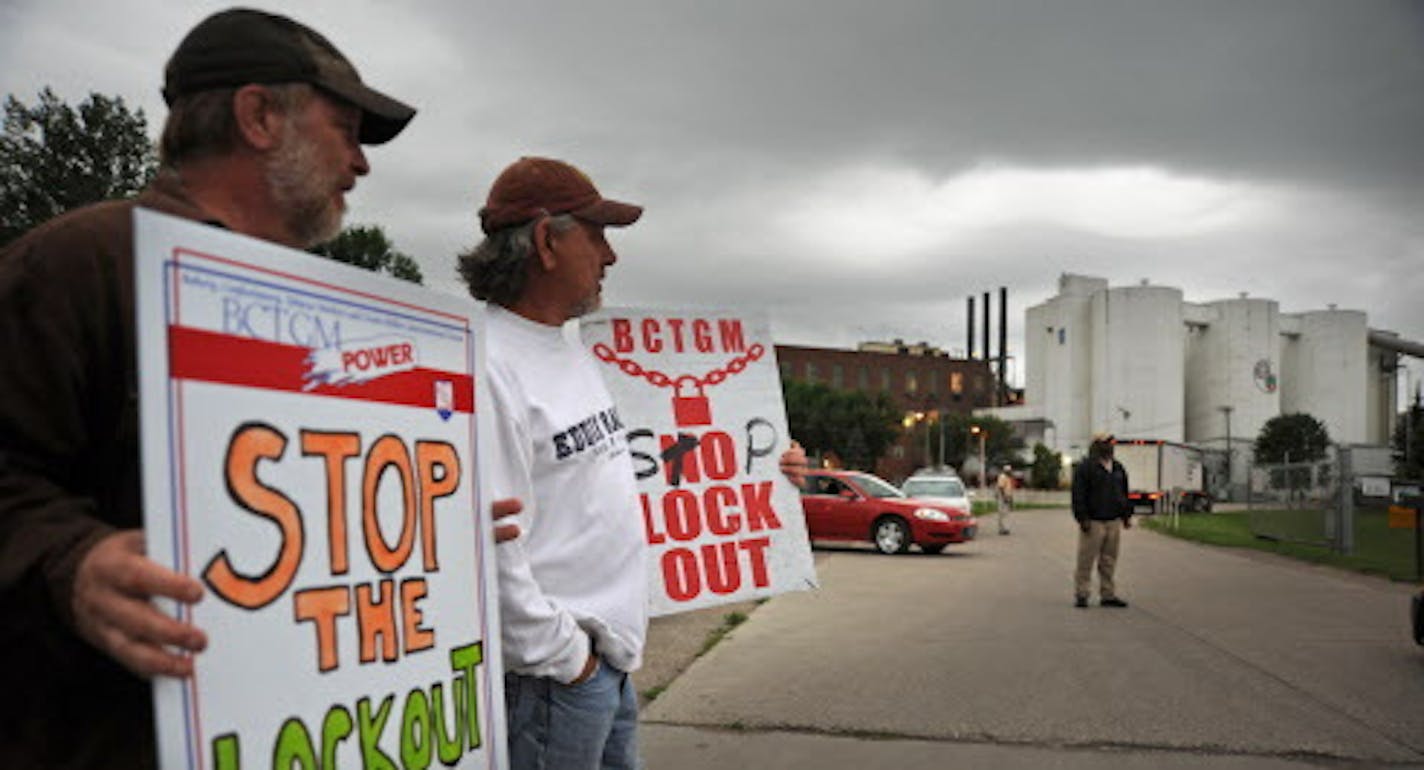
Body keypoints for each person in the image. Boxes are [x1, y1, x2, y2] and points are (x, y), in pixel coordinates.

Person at [0, 9, 419, 768]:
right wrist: (72, 563)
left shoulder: (323, 309)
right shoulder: (78, 264)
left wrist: (428, 522)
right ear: (259, 116)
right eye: (347, 129)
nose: (360, 163)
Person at [459, 156, 807, 770]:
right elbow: (490, 544)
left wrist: (767, 473)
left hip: (606, 666)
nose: (610, 256)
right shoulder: (486, 365)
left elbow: (646, 465)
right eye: (596, 235)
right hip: (553, 680)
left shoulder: (570, 351)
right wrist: (569, 661)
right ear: (546, 241)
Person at [1070, 434, 1132, 608]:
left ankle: (1108, 594)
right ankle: (1082, 594)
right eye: (1105, 443)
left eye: (1111, 443)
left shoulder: (1118, 468)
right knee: (1086, 560)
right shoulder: (1086, 468)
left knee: (1109, 560)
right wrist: (1082, 518)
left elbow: (1124, 494)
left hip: (1113, 521)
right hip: (1093, 521)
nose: (1109, 446)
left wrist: (1126, 516)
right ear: (1096, 445)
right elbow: (1078, 495)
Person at [995, 463, 1015, 535]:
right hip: (1002, 497)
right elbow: (1001, 488)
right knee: (1002, 514)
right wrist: (1005, 498)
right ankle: (1002, 529)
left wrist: (1011, 499)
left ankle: (1004, 529)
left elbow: (1009, 489)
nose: (1010, 472)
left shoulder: (1008, 478)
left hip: (1007, 497)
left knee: (1006, 513)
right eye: (1009, 471)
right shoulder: (1002, 477)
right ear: (1006, 471)